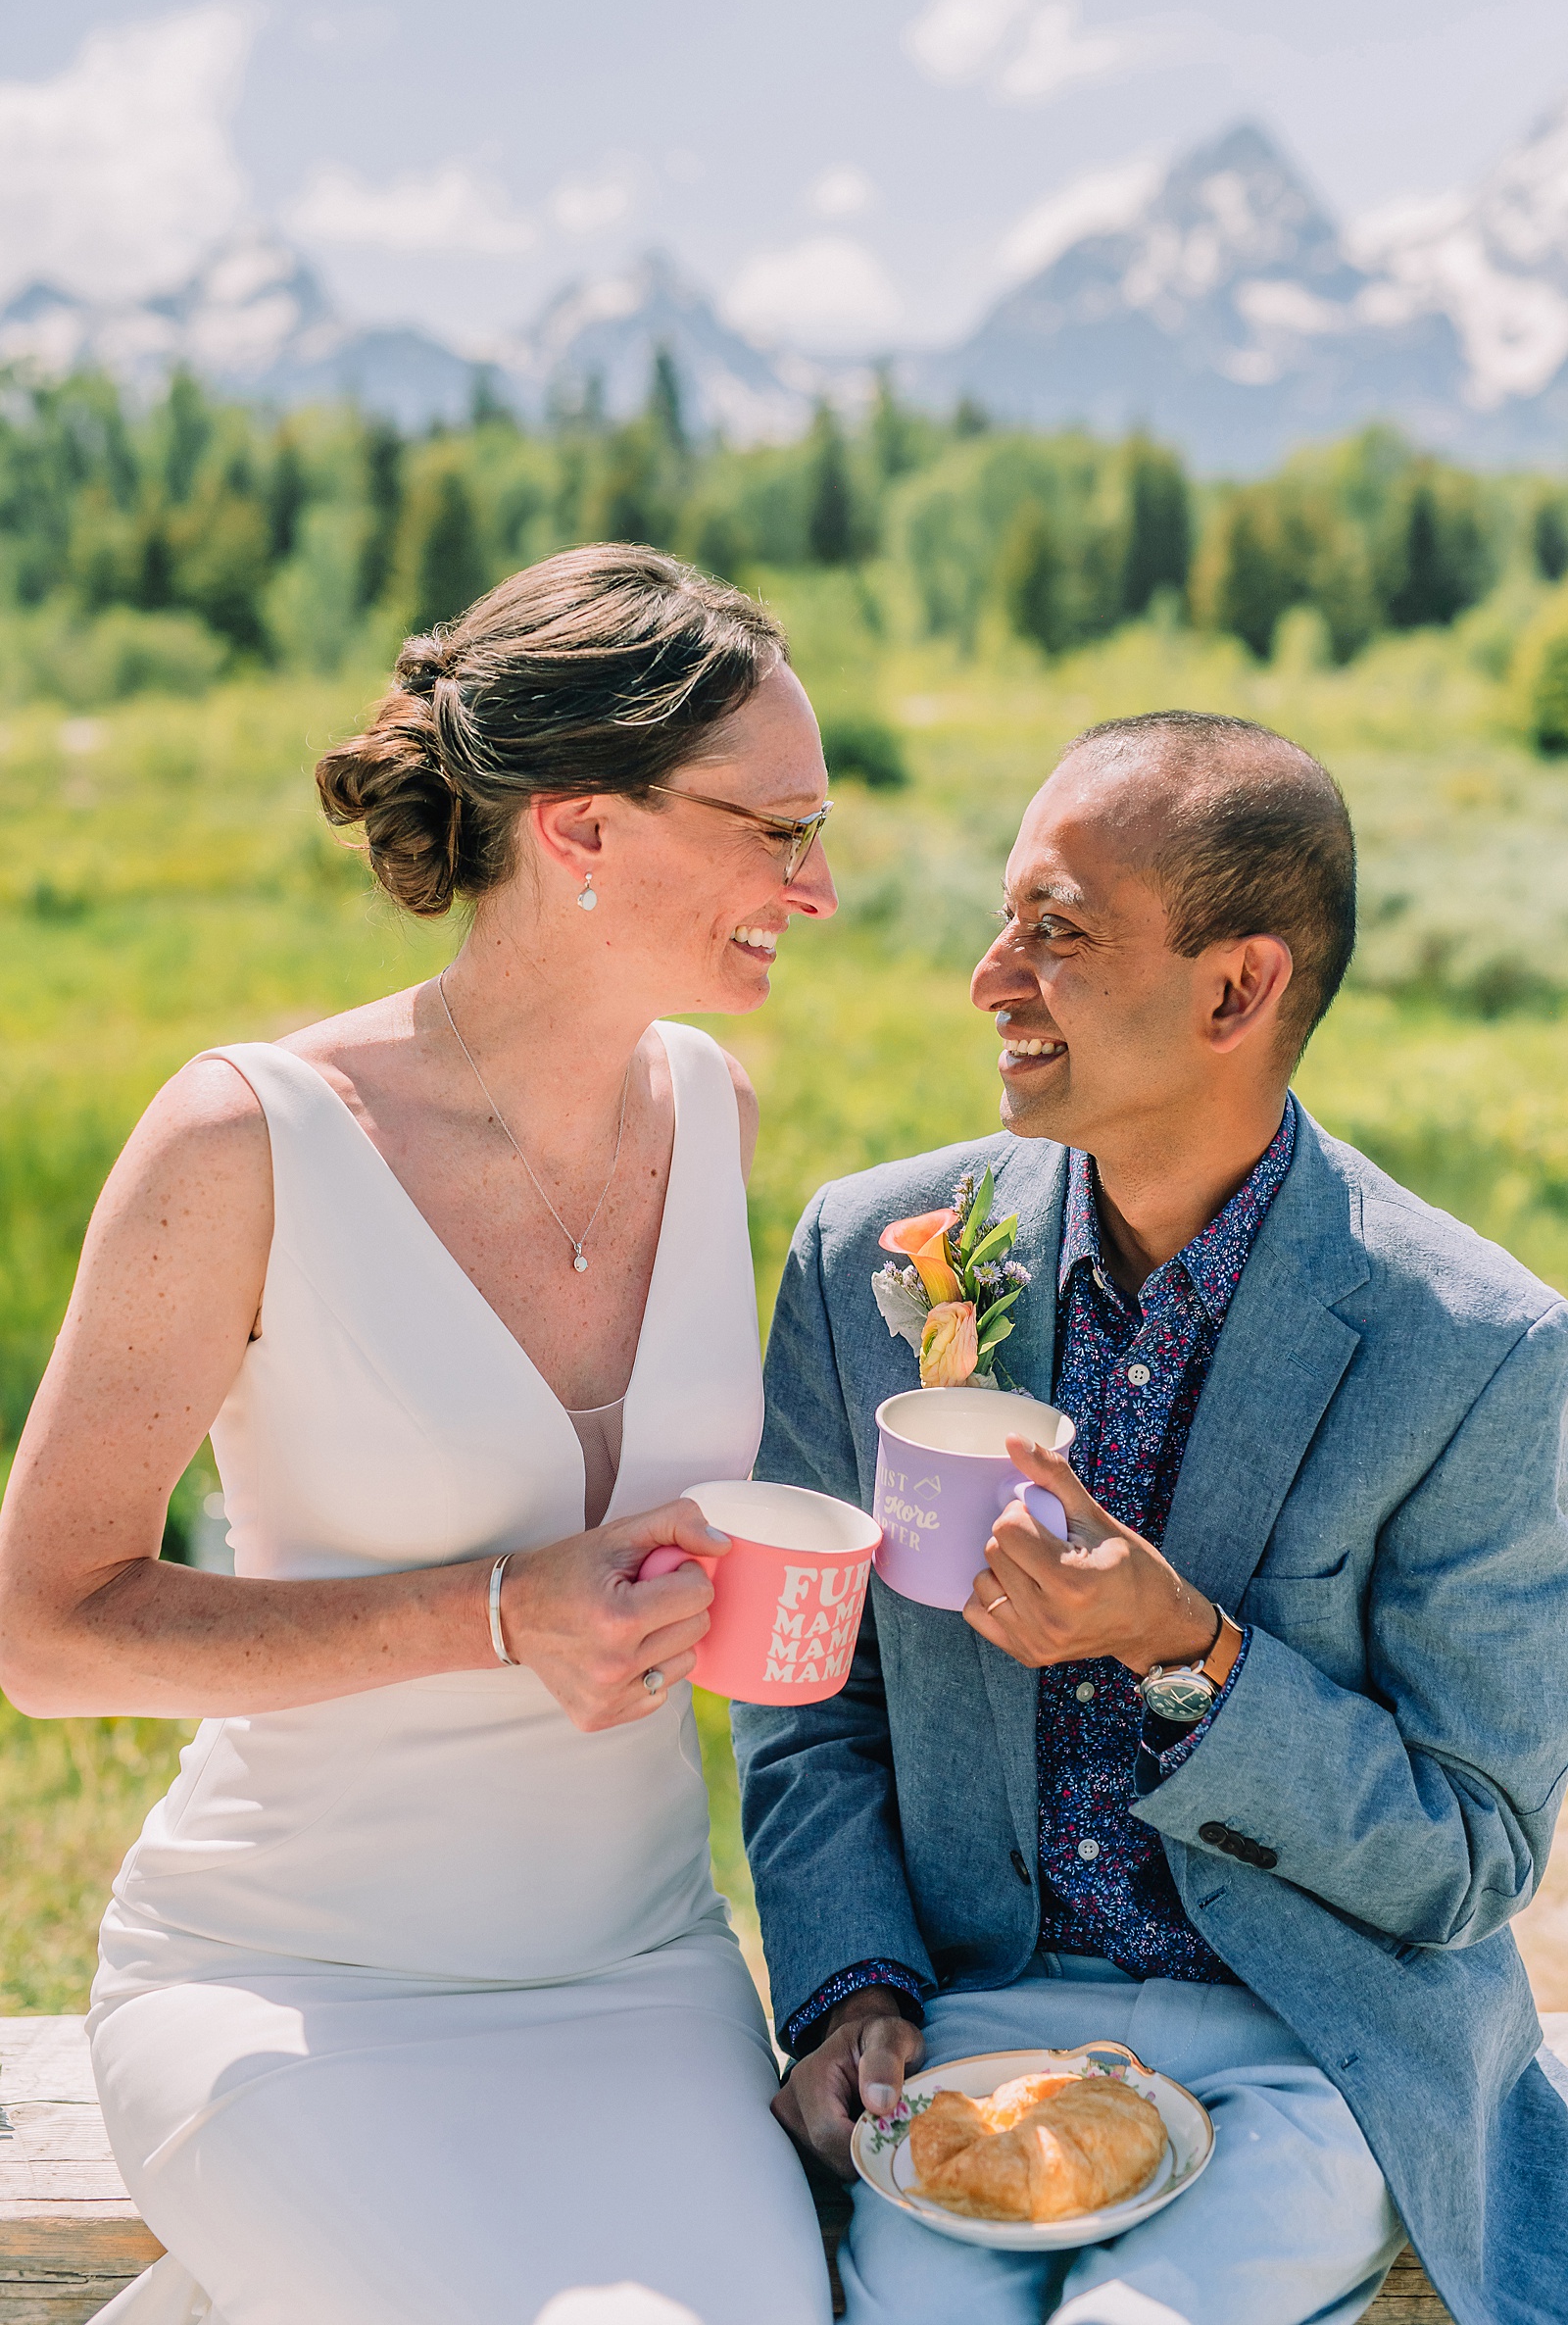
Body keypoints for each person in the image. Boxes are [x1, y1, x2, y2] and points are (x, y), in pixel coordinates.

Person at [0, 547, 839, 2325]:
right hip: (299, 1988)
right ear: (581, 829)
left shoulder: (716, 1105)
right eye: (773, 828)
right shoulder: (245, 1140)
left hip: (639, 1981)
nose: (816, 881)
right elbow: (47, 1630)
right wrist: (492, 1612)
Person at [736, 710, 1568, 2325]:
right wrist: (850, 1992)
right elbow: (815, 1698)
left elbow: (1476, 1853)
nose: (990, 976)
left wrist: (1191, 1654)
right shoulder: (867, 1263)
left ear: (1237, 989)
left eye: (1056, 932)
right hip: (975, 2030)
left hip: (1319, 2048)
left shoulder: (1480, 1351)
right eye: (1005, 919)